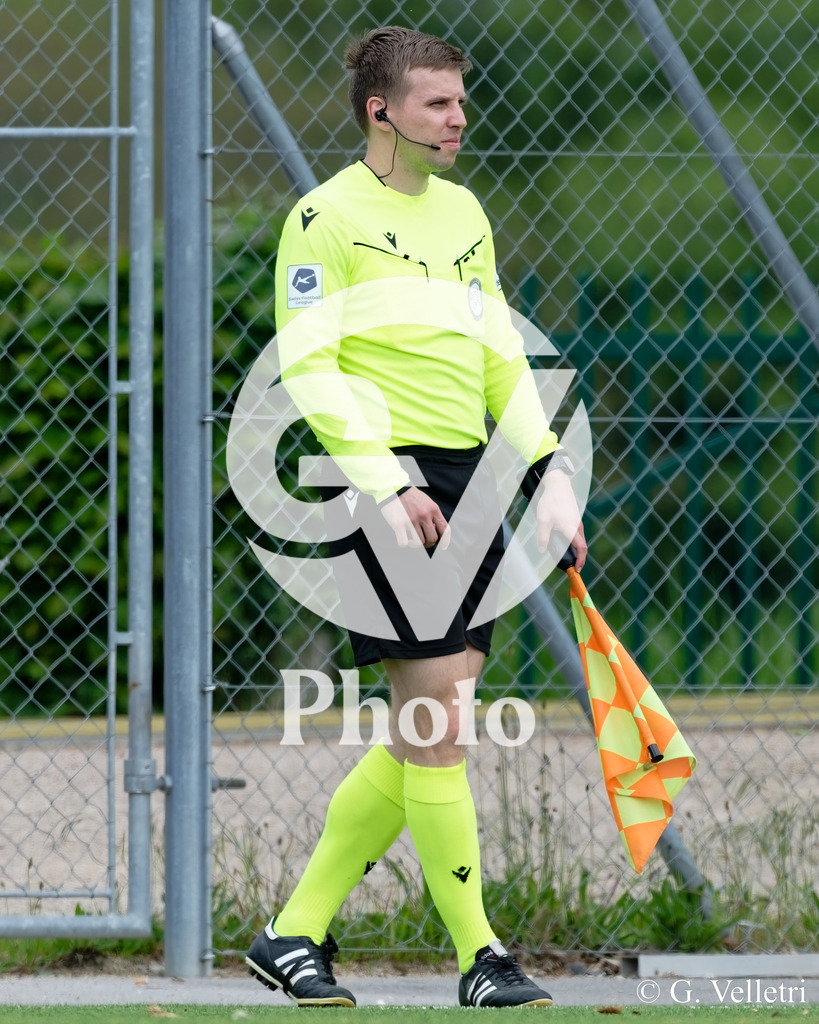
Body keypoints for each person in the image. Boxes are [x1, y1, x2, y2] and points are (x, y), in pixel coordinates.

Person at [245, 25, 587, 1008]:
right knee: (438, 726)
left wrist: (549, 470)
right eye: (437, 102)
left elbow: (498, 357)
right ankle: (481, 956)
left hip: (468, 479)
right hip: (379, 483)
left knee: (424, 729)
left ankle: (293, 932)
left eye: (460, 101)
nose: (458, 119)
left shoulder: (465, 213)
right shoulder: (324, 219)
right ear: (380, 111)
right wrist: (385, 482)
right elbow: (309, 364)